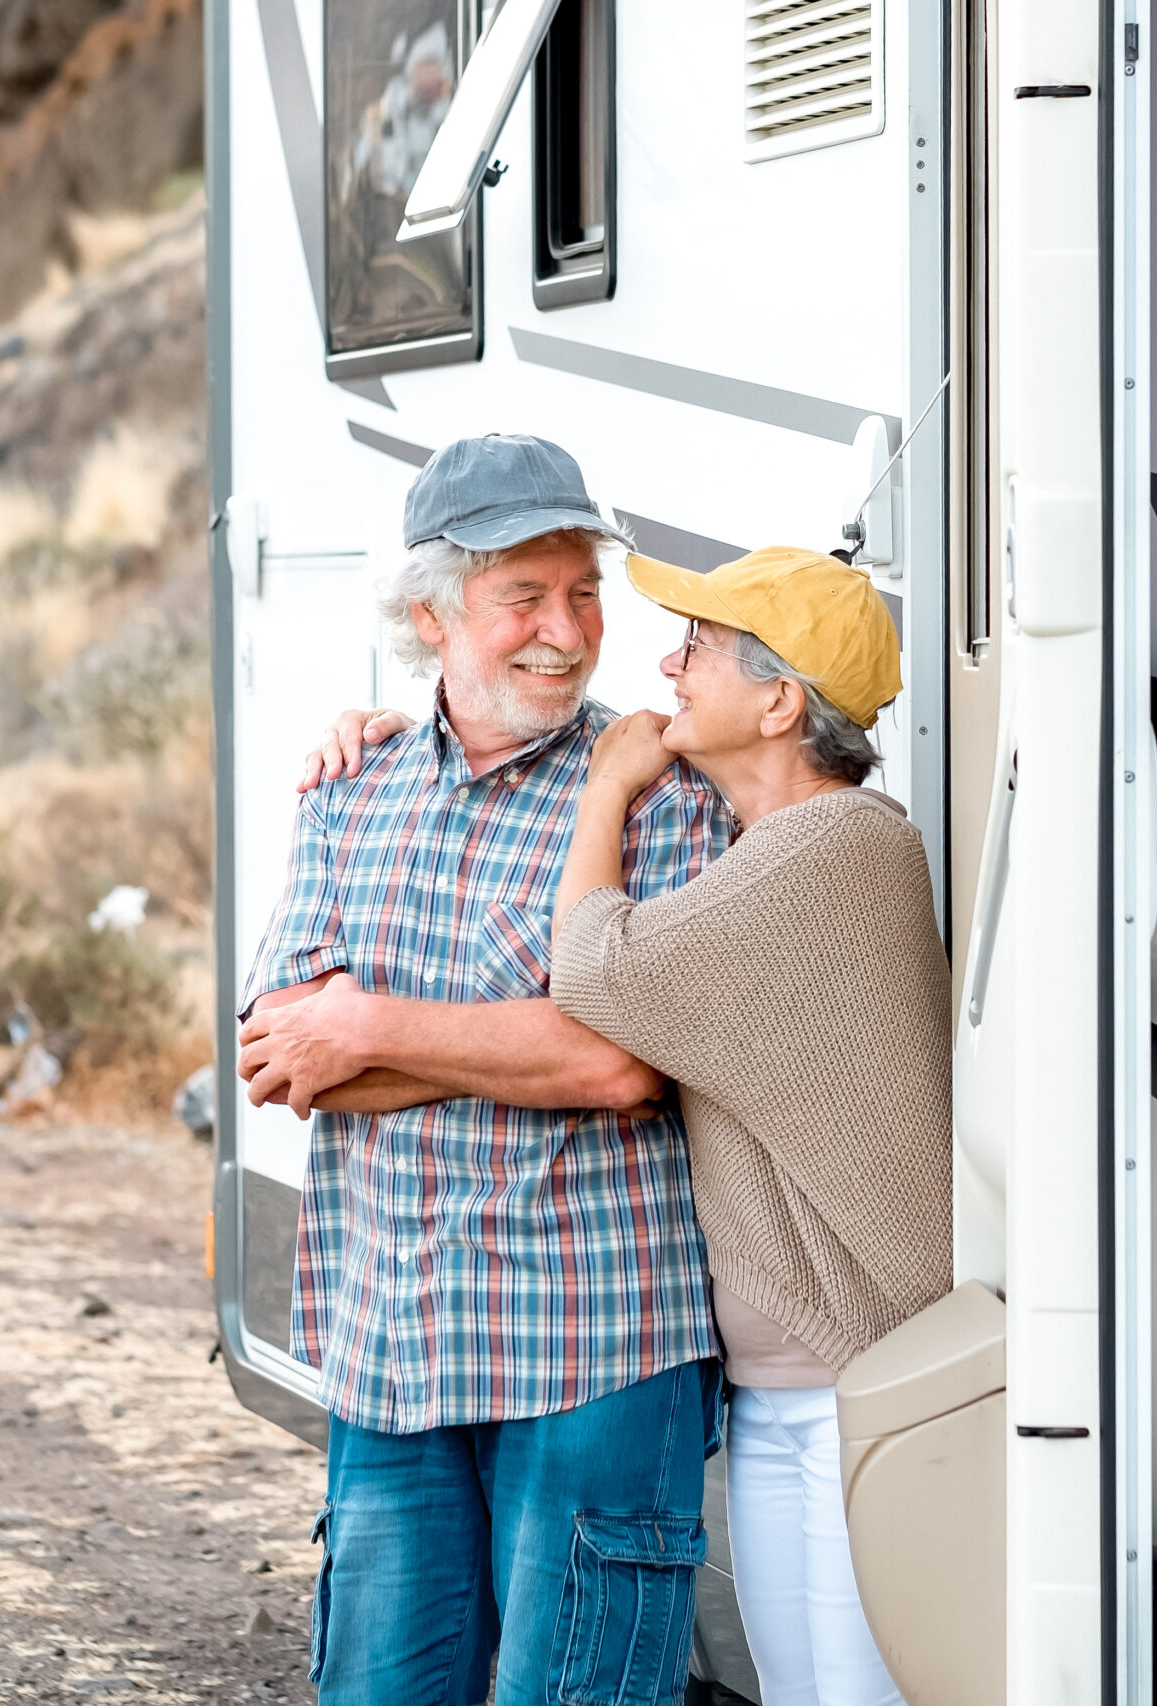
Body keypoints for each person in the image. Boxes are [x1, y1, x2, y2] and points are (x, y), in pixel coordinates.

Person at [308, 546, 953, 1706]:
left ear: (777, 701)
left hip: (853, 1371)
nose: (665, 662)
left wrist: (601, 788)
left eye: (698, 647)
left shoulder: (837, 849)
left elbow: (598, 995)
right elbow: (591, 1038)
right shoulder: (757, 843)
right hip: (781, 1381)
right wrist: (394, 729)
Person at [234, 433, 734, 1706]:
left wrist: (369, 1026)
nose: (564, 632)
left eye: (582, 592)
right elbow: (280, 1058)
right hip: (390, 1345)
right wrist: (485, 1041)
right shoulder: (348, 792)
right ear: (431, 615)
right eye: (524, 595)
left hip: (595, 1350)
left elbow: (623, 1061)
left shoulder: (656, 792)